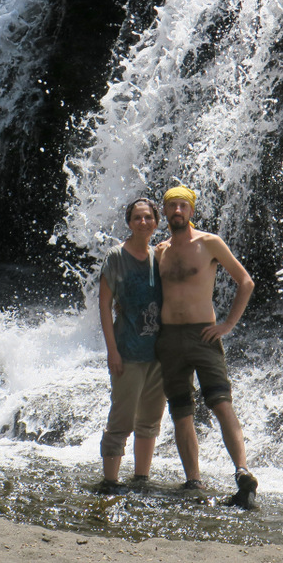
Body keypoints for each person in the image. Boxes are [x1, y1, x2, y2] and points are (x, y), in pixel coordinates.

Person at [154, 184, 259, 509]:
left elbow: (246, 282)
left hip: (204, 334)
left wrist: (227, 325)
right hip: (169, 336)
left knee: (220, 401)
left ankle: (242, 471)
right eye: (172, 206)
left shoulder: (209, 243)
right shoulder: (161, 251)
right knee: (181, 410)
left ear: (192, 211)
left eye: (183, 206)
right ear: (165, 212)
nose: (177, 211)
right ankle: (193, 481)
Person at [97, 197, 167, 493]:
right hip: (127, 351)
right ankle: (110, 481)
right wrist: (112, 351)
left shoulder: (160, 256)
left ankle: (141, 478)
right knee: (121, 419)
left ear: (156, 222)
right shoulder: (116, 257)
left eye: (148, 217)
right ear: (129, 222)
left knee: (150, 419)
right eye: (137, 218)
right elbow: (103, 306)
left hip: (158, 354)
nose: (143, 222)